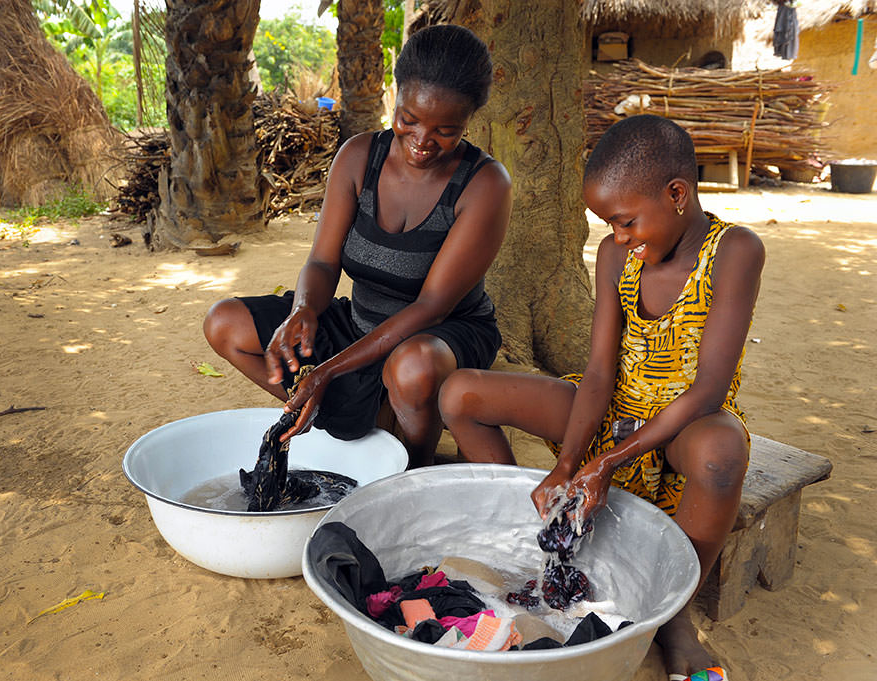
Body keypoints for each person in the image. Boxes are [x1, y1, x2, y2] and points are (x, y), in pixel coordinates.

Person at [439, 114, 764, 680]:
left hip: (684, 423)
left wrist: (608, 460)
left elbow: (709, 388)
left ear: (678, 194)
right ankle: (535, 547)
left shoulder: (734, 251)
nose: (618, 238)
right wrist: (568, 463)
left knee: (722, 455)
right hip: (613, 409)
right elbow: (596, 372)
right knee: (462, 393)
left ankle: (675, 615)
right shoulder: (618, 257)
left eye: (626, 221)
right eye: (609, 226)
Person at [203, 24, 512, 468]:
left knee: (411, 368)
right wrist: (304, 310)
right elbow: (324, 261)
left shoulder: (484, 184)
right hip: (361, 324)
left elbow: (431, 307)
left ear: (469, 121)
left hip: (440, 338)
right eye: (408, 120)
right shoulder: (358, 157)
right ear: (394, 95)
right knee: (225, 323)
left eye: (447, 129)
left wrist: (326, 370)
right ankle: (361, 422)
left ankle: (414, 462)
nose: (422, 141)